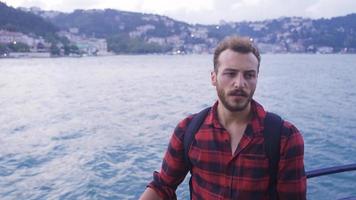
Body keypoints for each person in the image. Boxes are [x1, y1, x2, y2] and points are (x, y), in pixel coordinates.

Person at [140, 36, 306, 199]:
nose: (239, 83)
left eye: (249, 75)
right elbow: (163, 186)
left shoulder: (284, 137)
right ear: (214, 77)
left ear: (257, 78)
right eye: (230, 74)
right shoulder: (188, 130)